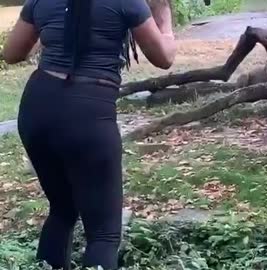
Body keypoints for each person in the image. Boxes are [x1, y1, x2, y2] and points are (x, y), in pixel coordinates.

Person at [2, 0, 176, 269]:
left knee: (63, 208)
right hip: (87, 114)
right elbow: (164, 57)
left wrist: (55, 35)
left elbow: (11, 53)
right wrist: (163, 14)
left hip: (37, 108)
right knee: (104, 233)